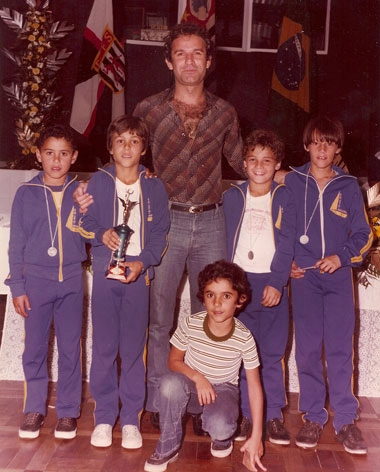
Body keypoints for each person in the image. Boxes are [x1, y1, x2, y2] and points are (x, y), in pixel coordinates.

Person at [133, 22, 247, 431]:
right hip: (166, 224)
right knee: (159, 317)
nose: (189, 61)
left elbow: (243, 161)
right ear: (168, 61)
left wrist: (297, 178)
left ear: (209, 61)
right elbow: (129, 163)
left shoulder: (225, 112)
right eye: (180, 53)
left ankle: (202, 404)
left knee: (209, 316)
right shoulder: (148, 110)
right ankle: (155, 401)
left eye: (197, 53)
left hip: (211, 222)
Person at [77, 115, 170, 449]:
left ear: (143, 148)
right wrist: (100, 234)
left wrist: (142, 263)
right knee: (104, 347)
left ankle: (131, 417)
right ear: (110, 148)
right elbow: (84, 224)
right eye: (120, 141)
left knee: (132, 350)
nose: (127, 147)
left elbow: (159, 235)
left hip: (136, 278)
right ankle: (104, 416)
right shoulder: (98, 183)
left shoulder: (154, 186)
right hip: (105, 275)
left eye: (134, 140)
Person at [285, 115, 373, 454]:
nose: (323, 149)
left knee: (339, 349)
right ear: (307, 145)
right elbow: (283, 229)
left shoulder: (349, 186)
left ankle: (346, 420)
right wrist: (288, 262)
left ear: (338, 148)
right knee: (307, 350)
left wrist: (342, 257)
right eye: (317, 142)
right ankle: (312, 416)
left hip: (338, 279)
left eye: (330, 142)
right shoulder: (291, 183)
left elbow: (364, 235)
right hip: (304, 279)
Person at [144, 260, 267, 472]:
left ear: (240, 300)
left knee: (221, 427)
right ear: (203, 297)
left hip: (222, 391)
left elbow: (255, 387)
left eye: (226, 296)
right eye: (211, 295)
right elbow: (173, 361)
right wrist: (198, 378)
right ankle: (168, 445)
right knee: (168, 384)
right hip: (192, 387)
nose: (217, 303)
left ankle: (220, 436)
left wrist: (256, 436)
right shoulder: (191, 324)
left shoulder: (244, 337)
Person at [5, 124, 86, 440]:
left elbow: (93, 230)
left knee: (70, 348)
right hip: (37, 281)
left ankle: (67, 413)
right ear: (38, 155)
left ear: (74, 157)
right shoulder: (26, 194)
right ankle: (35, 408)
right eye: (49, 153)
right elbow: (16, 243)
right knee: (35, 348)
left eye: (64, 154)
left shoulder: (82, 192)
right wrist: (18, 287)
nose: (56, 160)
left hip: (73, 280)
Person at [223, 129, 294, 445]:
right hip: (240, 284)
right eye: (253, 160)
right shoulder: (232, 197)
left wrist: (278, 282)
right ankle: (245, 415)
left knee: (271, 351)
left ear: (277, 163)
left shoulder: (284, 197)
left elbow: (288, 242)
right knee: (241, 350)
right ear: (244, 164)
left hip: (271, 282)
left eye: (267, 160)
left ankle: (274, 415)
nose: (260, 166)